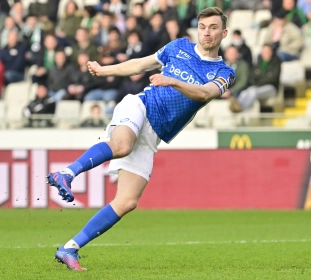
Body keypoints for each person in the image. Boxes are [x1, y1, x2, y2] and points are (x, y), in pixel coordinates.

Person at [46, 7, 235, 271]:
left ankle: (70, 248)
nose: (207, 32)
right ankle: (66, 173)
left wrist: (173, 81)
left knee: (127, 202)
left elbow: (204, 94)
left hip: (153, 136)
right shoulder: (178, 46)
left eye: (213, 27)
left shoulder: (225, 72)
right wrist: (104, 69)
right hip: (140, 107)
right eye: (203, 26)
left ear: (223, 33)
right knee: (122, 145)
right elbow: (140, 63)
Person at [229, 44, 280, 113]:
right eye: (264, 51)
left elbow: (272, 78)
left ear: (271, 52)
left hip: (271, 88)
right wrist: (264, 76)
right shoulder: (259, 62)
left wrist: (259, 76)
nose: (266, 53)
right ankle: (236, 105)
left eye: (267, 51)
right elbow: (252, 75)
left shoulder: (276, 62)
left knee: (254, 92)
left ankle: (240, 109)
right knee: (245, 92)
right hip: (257, 87)